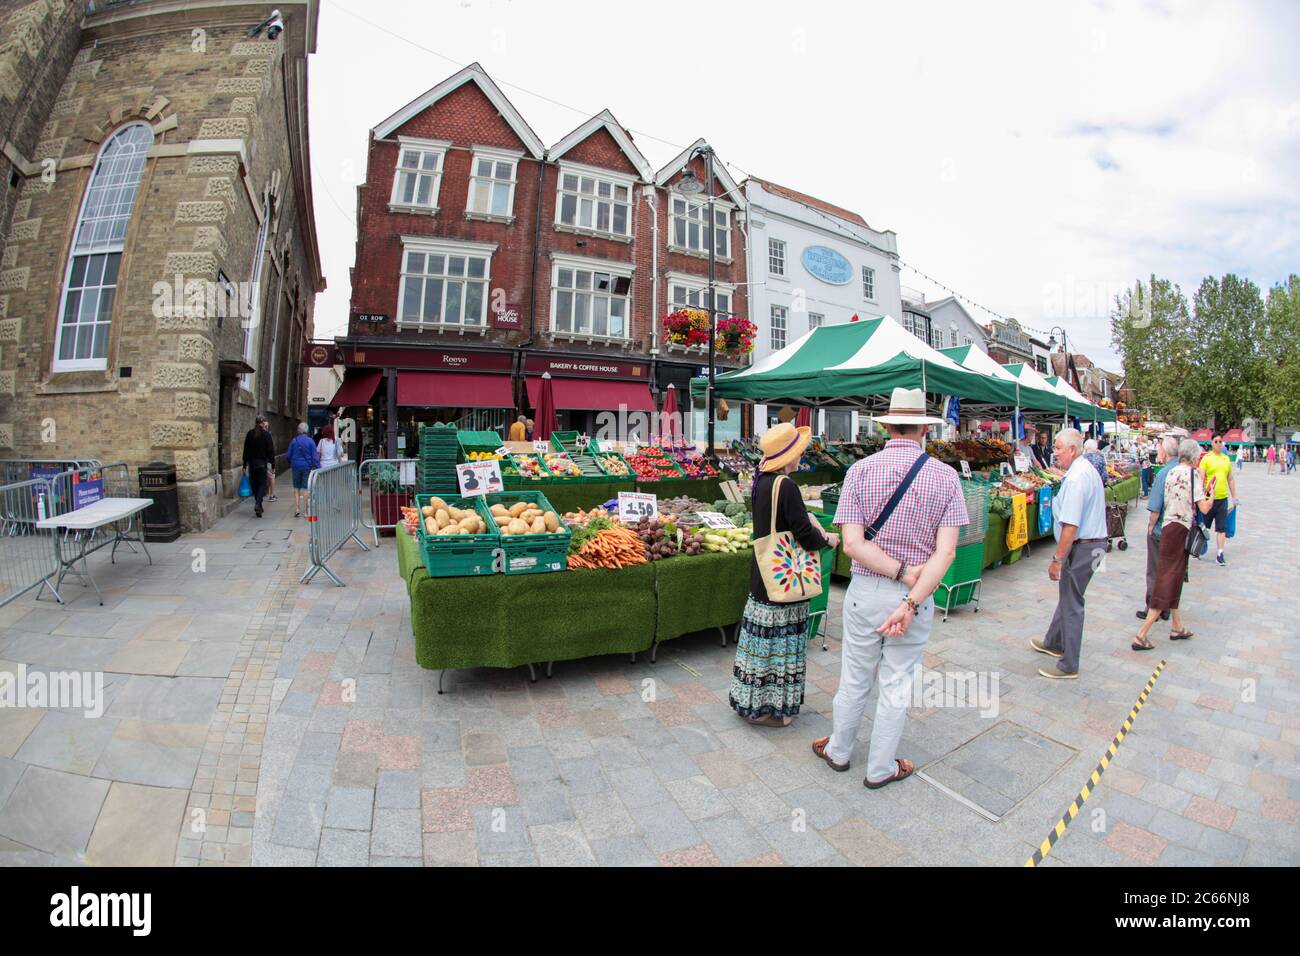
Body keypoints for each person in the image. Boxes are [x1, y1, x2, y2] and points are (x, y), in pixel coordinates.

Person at [812, 388, 967, 788]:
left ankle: (839, 751)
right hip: (915, 597)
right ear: (923, 430)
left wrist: (901, 572)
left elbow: (852, 544)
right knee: (897, 682)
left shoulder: (859, 472)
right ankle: (880, 768)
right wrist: (912, 596)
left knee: (854, 677)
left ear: (885, 427)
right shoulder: (946, 476)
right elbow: (946, 553)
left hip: (866, 589)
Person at [729, 422, 839, 728]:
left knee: (761, 647)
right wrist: (827, 539)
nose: (801, 456)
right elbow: (803, 534)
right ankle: (772, 710)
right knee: (779, 647)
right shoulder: (786, 485)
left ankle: (752, 702)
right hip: (785, 578)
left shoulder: (762, 481)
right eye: (798, 451)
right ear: (789, 454)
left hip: (764, 575)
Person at [1030, 427, 1107, 679]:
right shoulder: (1084, 470)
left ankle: (1069, 663)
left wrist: (1057, 560)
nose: (1055, 453)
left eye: (1059, 448)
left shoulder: (1077, 478)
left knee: (1073, 602)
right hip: (1091, 544)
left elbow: (1070, 525)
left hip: (1084, 546)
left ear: (1073, 450)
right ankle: (1053, 641)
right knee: (1069, 595)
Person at [1133, 439, 1217, 650]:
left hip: (1168, 526)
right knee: (1168, 578)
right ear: (1195, 456)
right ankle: (1141, 634)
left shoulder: (1170, 472)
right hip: (1181, 529)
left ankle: (1177, 626)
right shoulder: (1193, 474)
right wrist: (1212, 493)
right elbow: (1205, 508)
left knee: (1176, 575)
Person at [1136, 436, 1179, 623]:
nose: (1158, 452)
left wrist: (1150, 526)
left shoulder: (1163, 473)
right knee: (1171, 570)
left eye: (1160, 449)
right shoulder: (1184, 470)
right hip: (1179, 529)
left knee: (1155, 569)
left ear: (1166, 452)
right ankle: (1167, 607)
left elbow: (1155, 507)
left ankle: (1152, 606)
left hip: (1162, 529)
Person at [1198, 434, 1237, 566]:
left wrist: (1234, 496)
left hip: (1222, 498)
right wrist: (1200, 495)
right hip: (1209, 498)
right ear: (1212, 443)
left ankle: (1220, 553)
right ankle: (1198, 546)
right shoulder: (1206, 459)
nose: (1219, 443)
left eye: (1221, 441)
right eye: (1216, 441)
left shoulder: (1226, 459)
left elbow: (1230, 479)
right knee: (1203, 526)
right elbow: (1201, 478)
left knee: (1221, 528)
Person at [241, 415, 275, 519]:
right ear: (263, 423)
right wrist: (273, 464)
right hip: (262, 464)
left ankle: (258, 505)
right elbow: (270, 451)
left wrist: (244, 464)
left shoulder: (250, 434)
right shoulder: (266, 435)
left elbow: (245, 450)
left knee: (254, 485)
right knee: (262, 485)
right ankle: (258, 503)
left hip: (252, 464)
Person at [286, 422, 320, 518]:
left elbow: (288, 455)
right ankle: (305, 511)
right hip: (306, 467)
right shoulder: (310, 441)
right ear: (306, 430)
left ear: (298, 430)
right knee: (305, 488)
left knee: (296, 487)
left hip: (296, 466)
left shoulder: (294, 441)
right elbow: (315, 457)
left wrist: (291, 462)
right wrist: (318, 467)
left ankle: (297, 509)